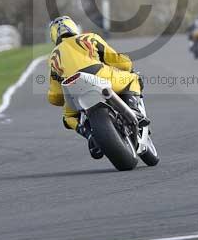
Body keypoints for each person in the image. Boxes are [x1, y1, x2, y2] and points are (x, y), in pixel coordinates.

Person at [46, 15, 143, 158]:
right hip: (99, 75)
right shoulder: (88, 38)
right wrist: (128, 66)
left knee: (68, 117)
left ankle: (89, 134)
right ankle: (135, 111)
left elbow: (55, 96)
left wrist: (62, 98)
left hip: (73, 87)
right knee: (133, 79)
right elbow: (116, 60)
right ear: (73, 27)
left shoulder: (53, 56)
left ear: (54, 36)